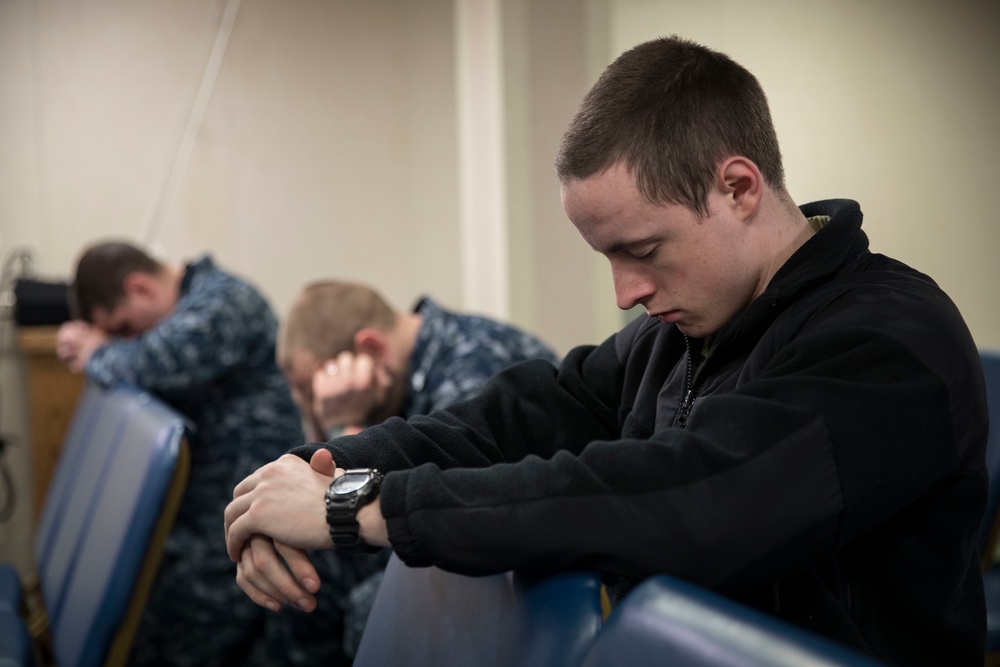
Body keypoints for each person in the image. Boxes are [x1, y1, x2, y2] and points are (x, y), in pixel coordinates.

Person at [223, 36, 989, 666]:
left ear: (739, 187)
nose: (626, 292)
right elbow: (511, 419)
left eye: (645, 249)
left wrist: (359, 509)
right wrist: (314, 471)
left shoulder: (892, 339)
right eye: (608, 258)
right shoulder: (681, 331)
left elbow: (693, 498)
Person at [55, 242, 342, 666]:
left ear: (141, 289)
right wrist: (95, 346)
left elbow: (150, 363)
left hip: (241, 522)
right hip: (207, 513)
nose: (124, 340)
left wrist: (96, 351)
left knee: (163, 637)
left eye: (123, 328)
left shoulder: (224, 301)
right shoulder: (197, 301)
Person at [275, 280, 561, 654]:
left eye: (312, 396)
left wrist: (344, 427)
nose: (311, 409)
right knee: (302, 567)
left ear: (371, 349)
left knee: (363, 602)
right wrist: (334, 429)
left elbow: (448, 514)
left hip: (526, 567)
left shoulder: (475, 367)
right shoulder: (409, 372)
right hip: (463, 545)